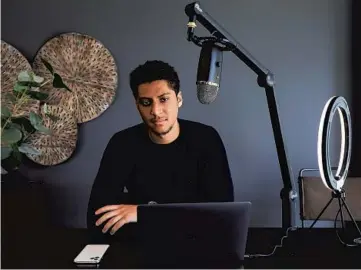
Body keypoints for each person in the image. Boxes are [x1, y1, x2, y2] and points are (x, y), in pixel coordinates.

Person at [87, 60, 234, 242]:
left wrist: (143, 213)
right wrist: (182, 216)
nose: (155, 111)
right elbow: (98, 215)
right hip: (143, 246)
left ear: (179, 99)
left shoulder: (206, 139)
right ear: (137, 105)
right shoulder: (122, 143)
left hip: (196, 245)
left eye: (163, 99)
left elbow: (222, 213)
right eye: (146, 103)